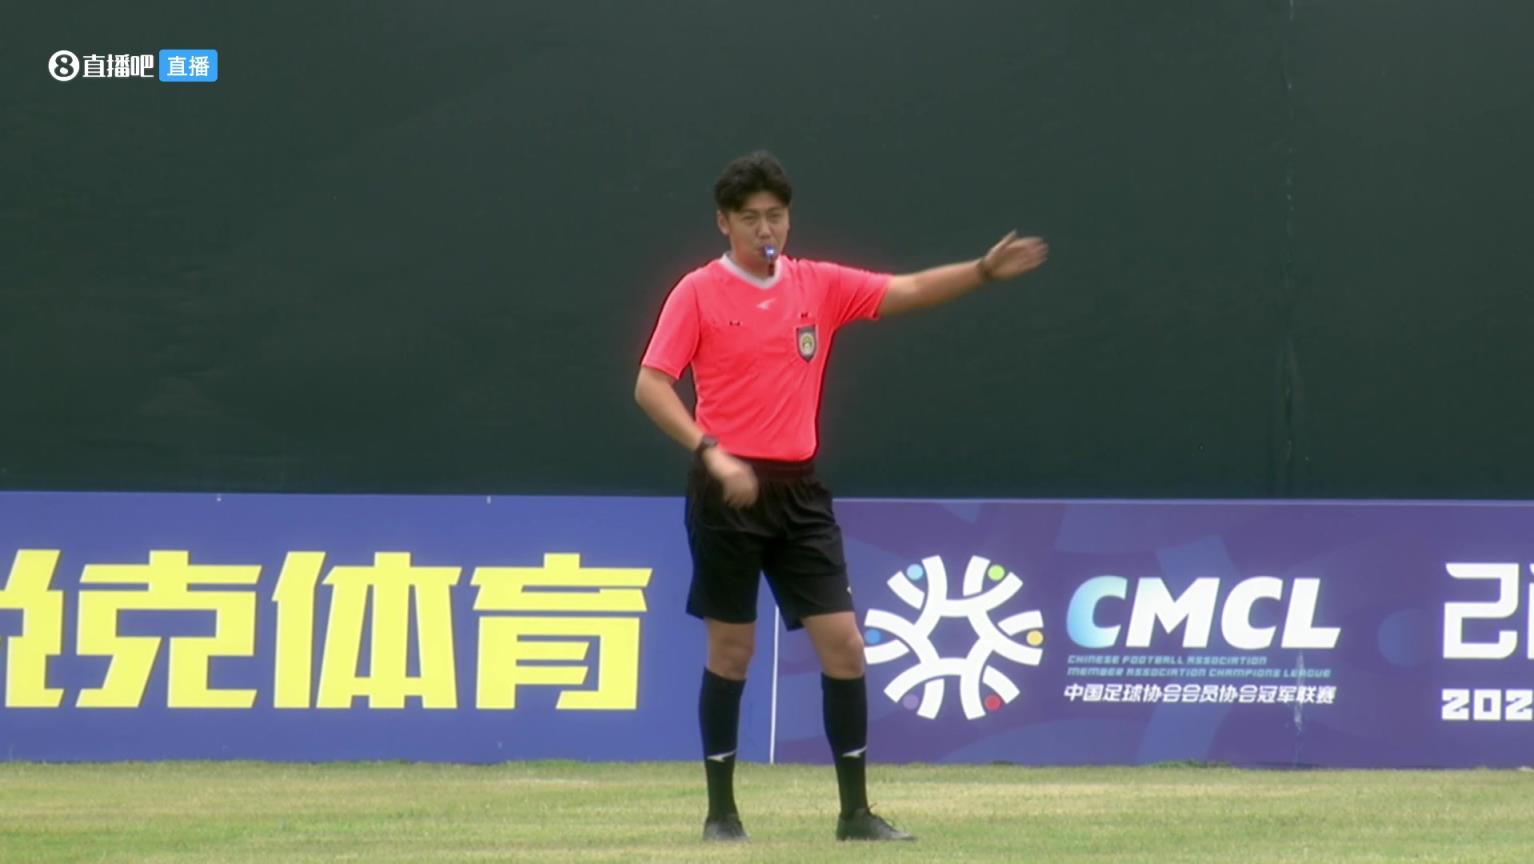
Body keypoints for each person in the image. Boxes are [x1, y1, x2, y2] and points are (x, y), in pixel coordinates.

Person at [634, 150, 1048, 843]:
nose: (766, 229)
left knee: (846, 647)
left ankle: (855, 814)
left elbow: (906, 289)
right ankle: (721, 815)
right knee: (732, 652)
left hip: (800, 494)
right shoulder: (697, 292)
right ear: (724, 223)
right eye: (750, 217)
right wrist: (712, 451)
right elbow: (651, 384)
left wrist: (980, 272)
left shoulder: (817, 285)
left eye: (776, 215)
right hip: (726, 491)